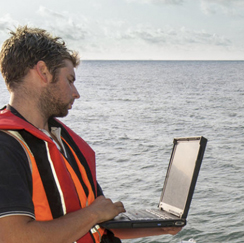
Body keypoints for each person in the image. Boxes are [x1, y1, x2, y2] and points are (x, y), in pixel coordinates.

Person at [0, 26, 181, 243]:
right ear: (43, 72)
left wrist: (162, 227)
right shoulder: (6, 145)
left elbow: (97, 225)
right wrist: (93, 213)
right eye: (70, 80)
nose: (76, 93)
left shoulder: (62, 139)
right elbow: (13, 237)